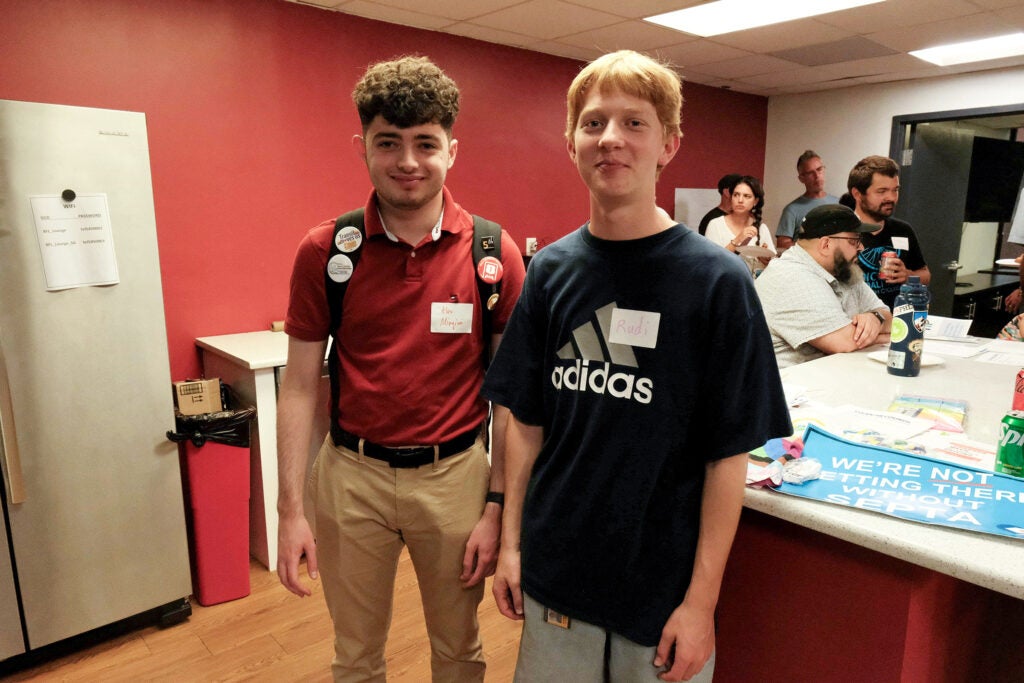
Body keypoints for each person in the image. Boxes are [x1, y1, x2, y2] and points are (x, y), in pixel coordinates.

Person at [483, 50, 791, 683]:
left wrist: (701, 604)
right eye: (593, 123)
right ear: (571, 142)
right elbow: (526, 425)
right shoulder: (549, 273)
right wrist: (511, 546)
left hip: (662, 591)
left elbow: (727, 457)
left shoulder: (718, 283)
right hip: (557, 575)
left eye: (634, 123)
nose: (611, 140)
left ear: (669, 144)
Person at [276, 55, 526, 682]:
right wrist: (289, 511)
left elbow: (512, 403)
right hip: (350, 477)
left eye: (425, 143)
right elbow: (300, 385)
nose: (408, 162)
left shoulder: (495, 254)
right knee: (354, 657)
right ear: (363, 146)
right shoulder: (325, 252)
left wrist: (498, 508)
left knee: (459, 651)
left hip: (456, 480)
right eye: (389, 143)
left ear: (453, 150)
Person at [755, 203, 893, 368]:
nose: (861, 248)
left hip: (826, 376)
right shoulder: (792, 276)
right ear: (826, 245)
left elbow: (889, 318)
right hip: (789, 387)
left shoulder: (842, 269)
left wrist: (875, 318)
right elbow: (845, 342)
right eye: (854, 241)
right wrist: (886, 334)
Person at [848, 155, 930, 309]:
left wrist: (907, 276)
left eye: (895, 190)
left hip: (899, 322)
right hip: (860, 324)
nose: (891, 198)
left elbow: (925, 275)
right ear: (857, 194)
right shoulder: (841, 232)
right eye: (882, 191)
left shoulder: (903, 230)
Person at [704, 175, 776, 273]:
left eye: (747, 196)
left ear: (755, 201)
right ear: (731, 198)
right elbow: (711, 263)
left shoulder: (761, 228)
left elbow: (773, 265)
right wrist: (738, 239)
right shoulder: (716, 225)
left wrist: (765, 260)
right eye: (736, 195)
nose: (740, 200)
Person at [775, 150, 839, 251]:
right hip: (804, 264)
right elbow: (782, 244)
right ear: (801, 178)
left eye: (819, 169)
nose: (817, 176)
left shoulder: (840, 204)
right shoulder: (792, 210)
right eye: (810, 173)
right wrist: (812, 248)